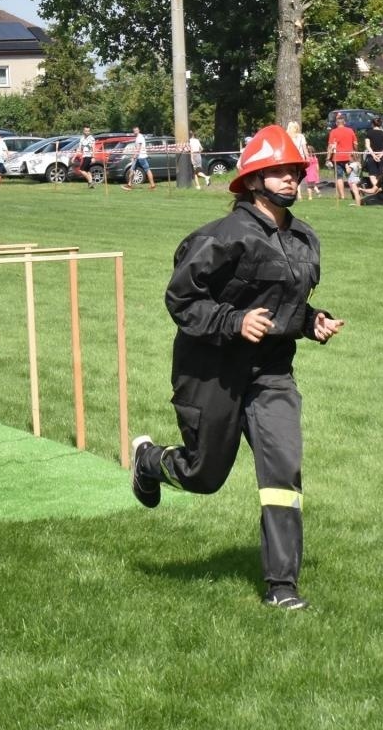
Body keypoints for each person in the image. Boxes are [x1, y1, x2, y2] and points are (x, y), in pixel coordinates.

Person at [130, 125, 342, 610]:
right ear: (252, 180)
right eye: (278, 171)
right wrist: (233, 321)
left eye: (295, 170)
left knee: (283, 471)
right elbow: (181, 300)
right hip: (211, 369)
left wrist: (315, 322)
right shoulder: (222, 237)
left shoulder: (305, 237)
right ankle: (148, 462)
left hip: (271, 374)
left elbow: (286, 303)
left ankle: (281, 586)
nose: (291, 178)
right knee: (205, 475)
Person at [326, 113, 356, 200]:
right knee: (351, 176)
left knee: (339, 177)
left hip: (337, 157)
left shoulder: (333, 132)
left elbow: (330, 146)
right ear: (344, 122)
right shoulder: (350, 131)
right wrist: (355, 152)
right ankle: (355, 193)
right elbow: (355, 143)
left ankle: (342, 196)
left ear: (336, 123)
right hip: (349, 156)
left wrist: (328, 158)